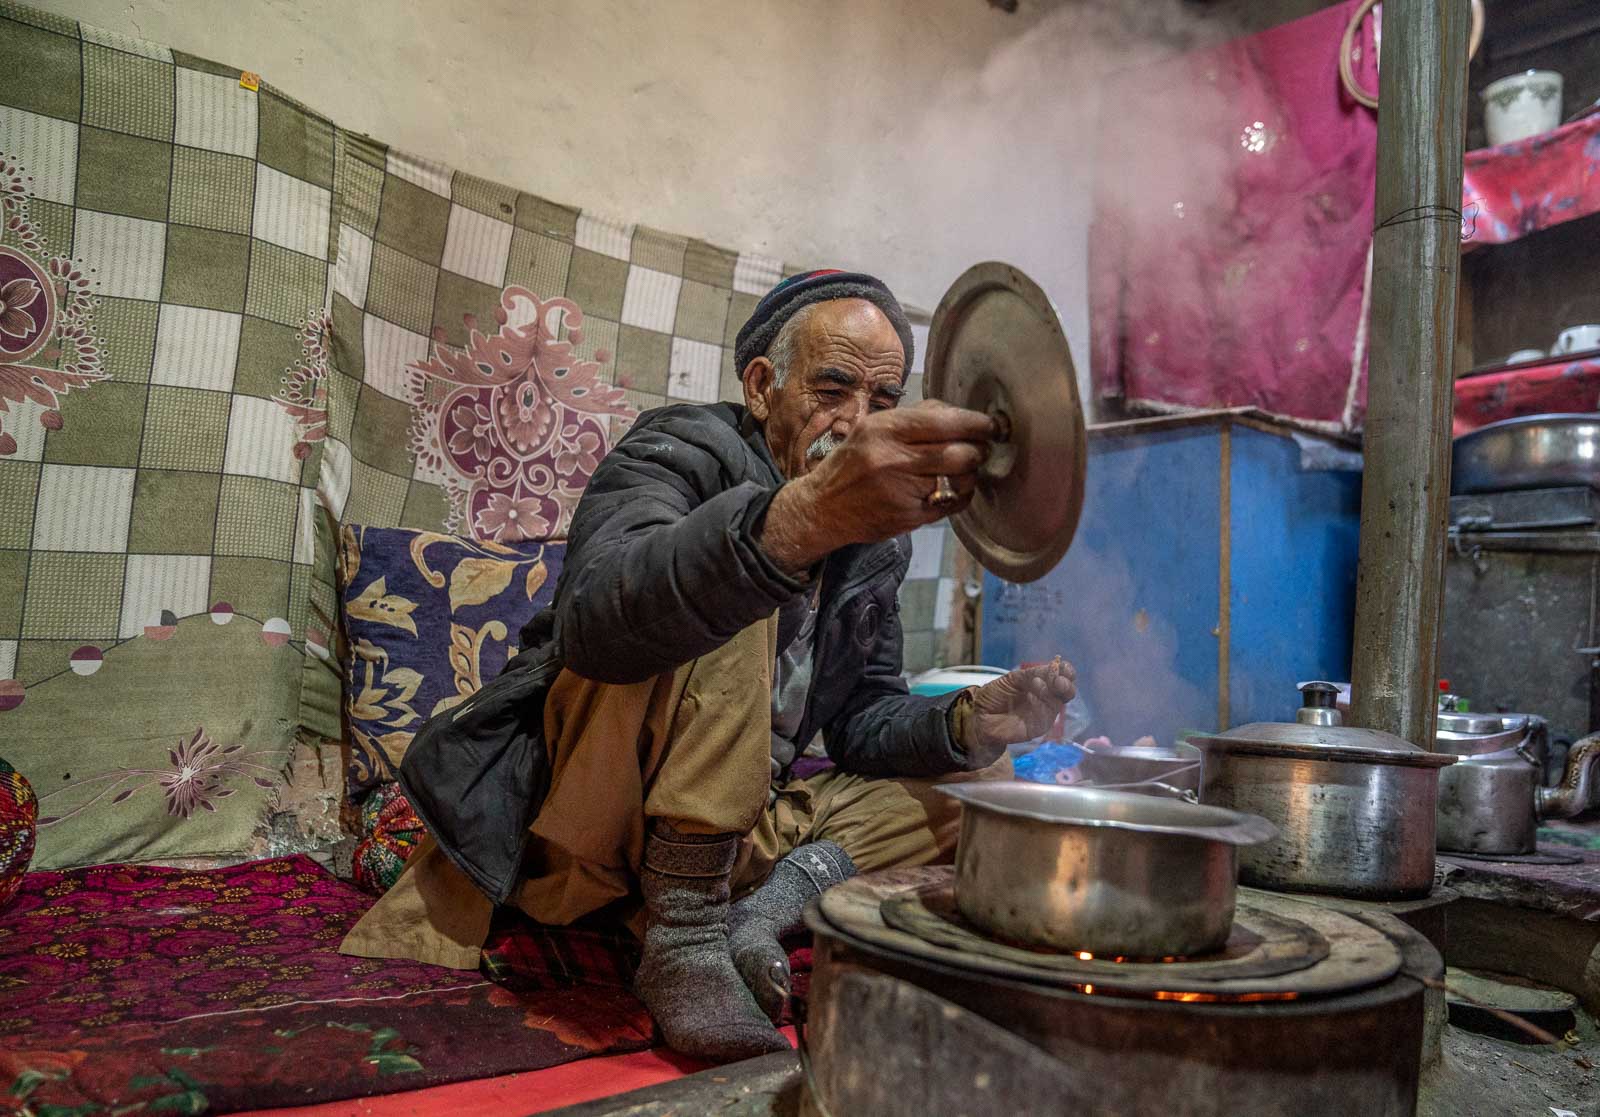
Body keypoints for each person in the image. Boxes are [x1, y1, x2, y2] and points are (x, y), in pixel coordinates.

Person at [341, 270, 1077, 1061]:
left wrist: (966, 721)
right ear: (763, 387)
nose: (858, 421)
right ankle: (685, 940)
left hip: (737, 830)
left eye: (883, 399)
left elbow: (863, 719)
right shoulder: (680, 449)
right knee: (734, 573)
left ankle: (761, 910)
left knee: (990, 792)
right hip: (589, 809)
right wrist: (792, 525)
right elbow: (596, 623)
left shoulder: (876, 542)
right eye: (833, 387)